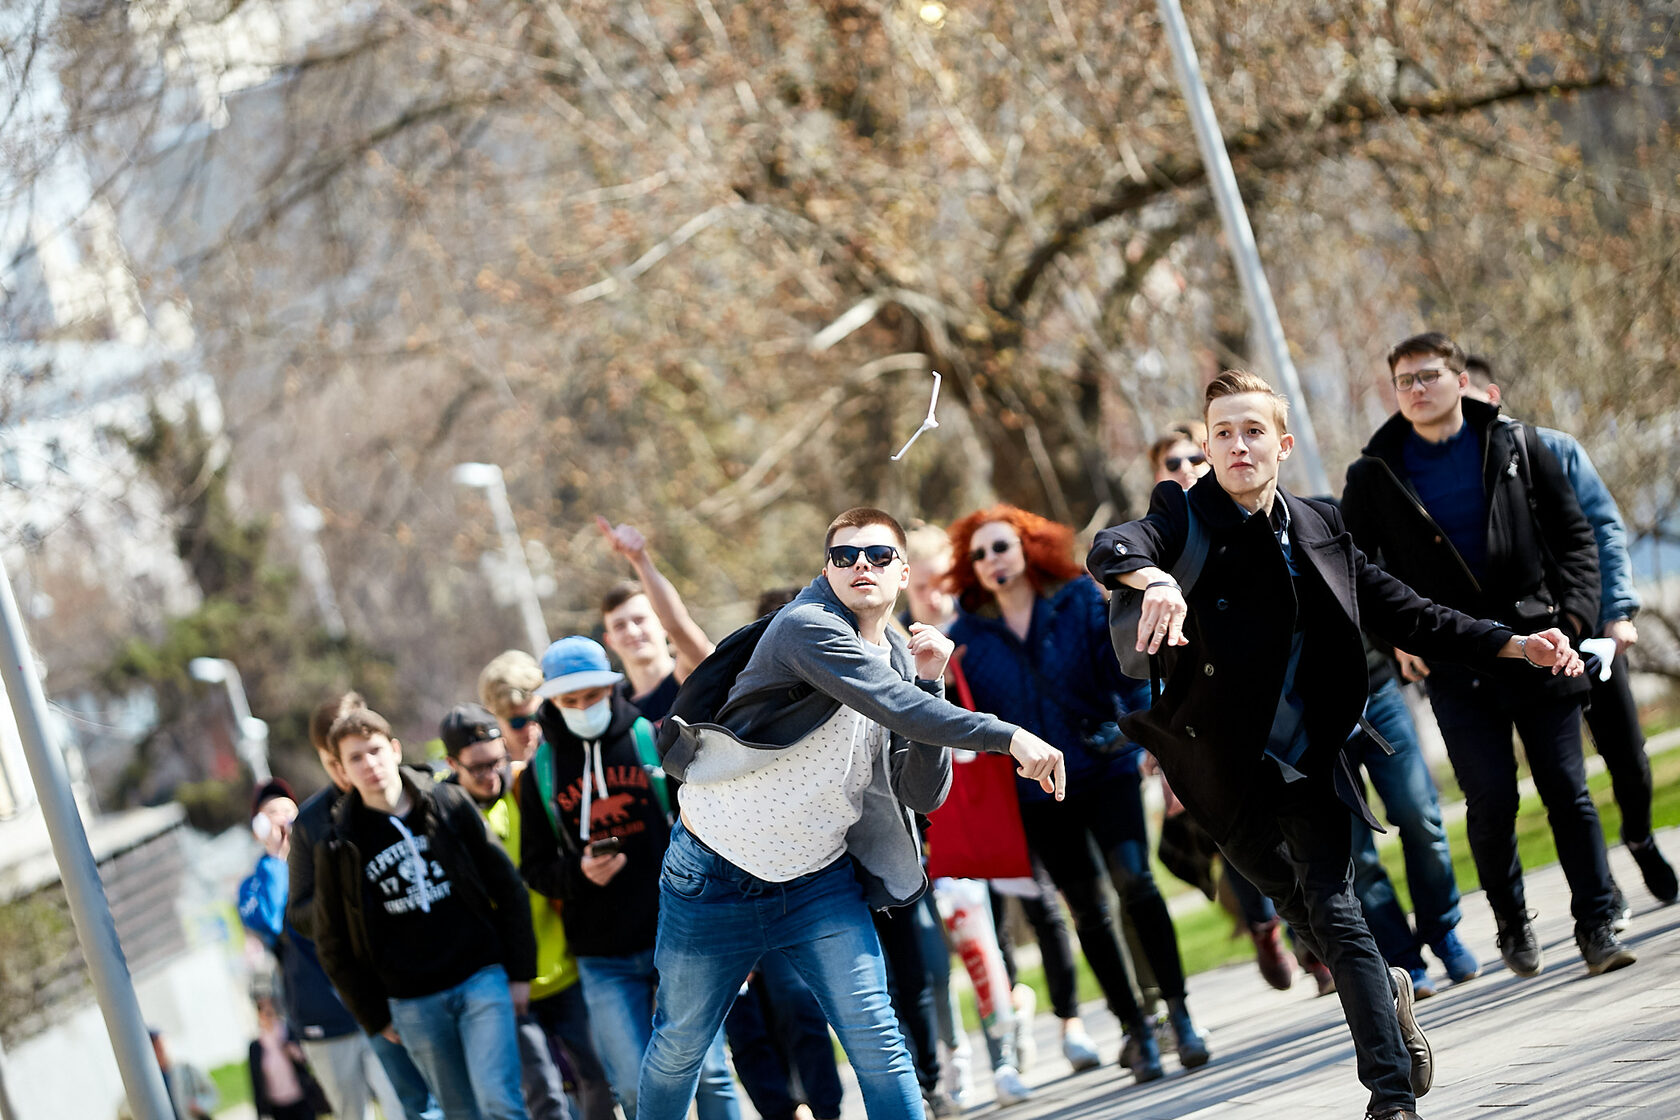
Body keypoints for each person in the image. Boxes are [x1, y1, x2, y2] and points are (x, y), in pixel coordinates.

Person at [1090, 368, 1592, 1120]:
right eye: (1221, 433)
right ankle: (1386, 996)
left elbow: (1414, 614)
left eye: (1252, 430)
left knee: (1335, 909)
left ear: (1282, 444)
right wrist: (1153, 578)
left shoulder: (1320, 524)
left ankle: (1390, 1096)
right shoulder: (1180, 514)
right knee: (1301, 908)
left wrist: (1518, 646)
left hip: (1311, 756)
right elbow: (1111, 546)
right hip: (1222, 765)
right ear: (1207, 445)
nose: (1236, 445)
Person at [639, 507, 1065, 1120]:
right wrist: (1008, 736)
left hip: (817, 880)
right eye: (845, 556)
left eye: (878, 555)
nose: (861, 565)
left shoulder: (896, 653)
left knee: (877, 1040)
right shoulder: (806, 628)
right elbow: (893, 705)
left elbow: (923, 791)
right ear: (828, 570)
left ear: (903, 573)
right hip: (714, 876)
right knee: (679, 1047)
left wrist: (931, 684)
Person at [1342, 332, 1634, 978]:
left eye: (1428, 376)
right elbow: (1355, 574)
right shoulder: (1374, 474)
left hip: (1543, 642)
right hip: (1455, 663)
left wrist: (1578, 620)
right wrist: (1396, 640)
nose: (1416, 390)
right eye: (1403, 382)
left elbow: (1576, 539)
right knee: (1493, 800)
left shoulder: (1518, 443)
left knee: (1568, 789)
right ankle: (1511, 920)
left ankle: (1597, 924)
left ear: (1458, 379)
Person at [945, 503, 1207, 1083]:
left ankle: (1181, 1014)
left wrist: (1152, 744)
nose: (993, 560)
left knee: (1135, 884)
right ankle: (1135, 1029)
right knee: (1088, 909)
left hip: (1106, 766)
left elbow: (1128, 677)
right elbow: (962, 722)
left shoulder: (1079, 601)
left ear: (1028, 548)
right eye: (980, 553)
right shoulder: (962, 639)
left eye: (1002, 546)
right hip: (1038, 794)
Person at [1462, 355, 1678, 909]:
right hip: (1526, 648)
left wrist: (1618, 612)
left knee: (1627, 753)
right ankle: (1599, 890)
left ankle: (1639, 834)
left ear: (1493, 393)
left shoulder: (1549, 448)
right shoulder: (1457, 482)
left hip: (1588, 629)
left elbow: (1604, 529)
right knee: (1563, 780)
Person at [518, 636, 740, 1120]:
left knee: (710, 1073)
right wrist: (577, 873)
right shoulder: (539, 771)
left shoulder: (651, 738)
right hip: (602, 957)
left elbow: (704, 828)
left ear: (611, 687)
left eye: (592, 695)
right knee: (638, 1088)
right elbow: (534, 869)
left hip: (680, 938)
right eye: (569, 700)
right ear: (552, 701)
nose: (582, 707)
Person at [313, 706, 536, 1120]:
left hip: (480, 979)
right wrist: (375, 1016)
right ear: (342, 772)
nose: (370, 764)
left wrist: (520, 973)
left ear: (395, 750)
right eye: (355, 758)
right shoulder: (338, 845)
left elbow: (507, 887)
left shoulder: (447, 802)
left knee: (500, 1101)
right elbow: (331, 943)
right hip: (413, 1002)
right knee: (460, 1112)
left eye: (376, 750)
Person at [1150, 430, 1303, 994]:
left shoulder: (1254, 518)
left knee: (1295, 832)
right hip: (1199, 723)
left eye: (1196, 454)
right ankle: (1266, 927)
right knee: (1240, 836)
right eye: (1174, 461)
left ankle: (1315, 946)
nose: (1188, 465)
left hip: (1272, 712)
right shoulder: (1155, 544)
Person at [479, 654, 620, 1120]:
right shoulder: (493, 789)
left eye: (535, 714)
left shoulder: (564, 760)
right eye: (515, 721)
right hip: (524, 963)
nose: (528, 729)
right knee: (548, 1090)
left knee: (600, 1076)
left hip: (579, 946)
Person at [285, 693, 438, 1120]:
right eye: (343, 755)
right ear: (327, 757)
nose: (359, 762)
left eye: (367, 744)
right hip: (376, 986)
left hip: (442, 967)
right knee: (418, 1100)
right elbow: (298, 913)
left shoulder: (419, 790)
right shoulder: (316, 823)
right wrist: (343, 904)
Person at [440, 702, 579, 1120]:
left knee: (595, 1075)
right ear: (452, 763)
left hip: (565, 967)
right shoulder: (447, 818)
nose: (490, 775)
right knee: (544, 1094)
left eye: (497, 761)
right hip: (506, 984)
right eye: (477, 767)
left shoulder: (524, 789)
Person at [238, 778, 391, 1115]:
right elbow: (269, 921)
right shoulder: (256, 883)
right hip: (320, 1021)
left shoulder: (330, 855)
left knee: (403, 1105)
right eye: (271, 813)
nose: (281, 821)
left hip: (371, 1007)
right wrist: (275, 861)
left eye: (286, 811)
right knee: (353, 1112)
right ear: (257, 827)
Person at [597, 518, 716, 721]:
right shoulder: (614, 711)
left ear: (661, 624)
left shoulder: (690, 673)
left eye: (639, 619)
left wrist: (639, 559)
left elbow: (677, 625)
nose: (632, 632)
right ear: (610, 641)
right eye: (619, 626)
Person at [248, 995, 329, 1120]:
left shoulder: (289, 1033)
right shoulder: (256, 1046)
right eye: (264, 1013)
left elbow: (308, 1060)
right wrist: (261, 1112)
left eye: (270, 1013)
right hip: (278, 1105)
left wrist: (295, 1054)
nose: (268, 1017)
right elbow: (256, 1081)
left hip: (301, 1098)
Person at [148, 1027, 217, 1120]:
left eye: (161, 1044)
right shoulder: (148, 1081)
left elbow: (212, 1093)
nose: (160, 1049)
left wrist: (200, 1104)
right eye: (156, 1047)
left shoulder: (187, 1069)